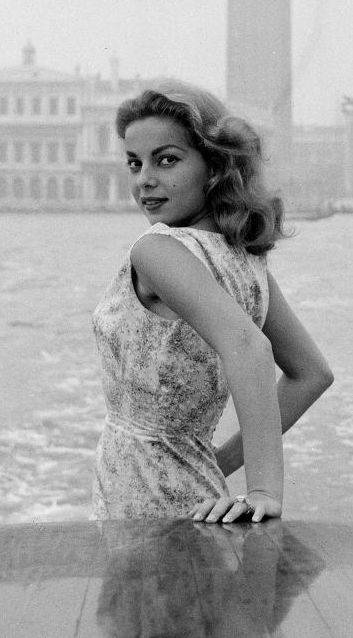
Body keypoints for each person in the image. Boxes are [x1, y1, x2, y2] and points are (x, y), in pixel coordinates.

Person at [91, 81, 333, 524]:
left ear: (214, 165)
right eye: (133, 162)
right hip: (203, 494)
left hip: (142, 503)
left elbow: (249, 348)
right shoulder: (247, 262)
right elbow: (311, 375)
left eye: (167, 160)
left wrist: (262, 490)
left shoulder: (155, 250)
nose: (145, 177)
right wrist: (216, 463)